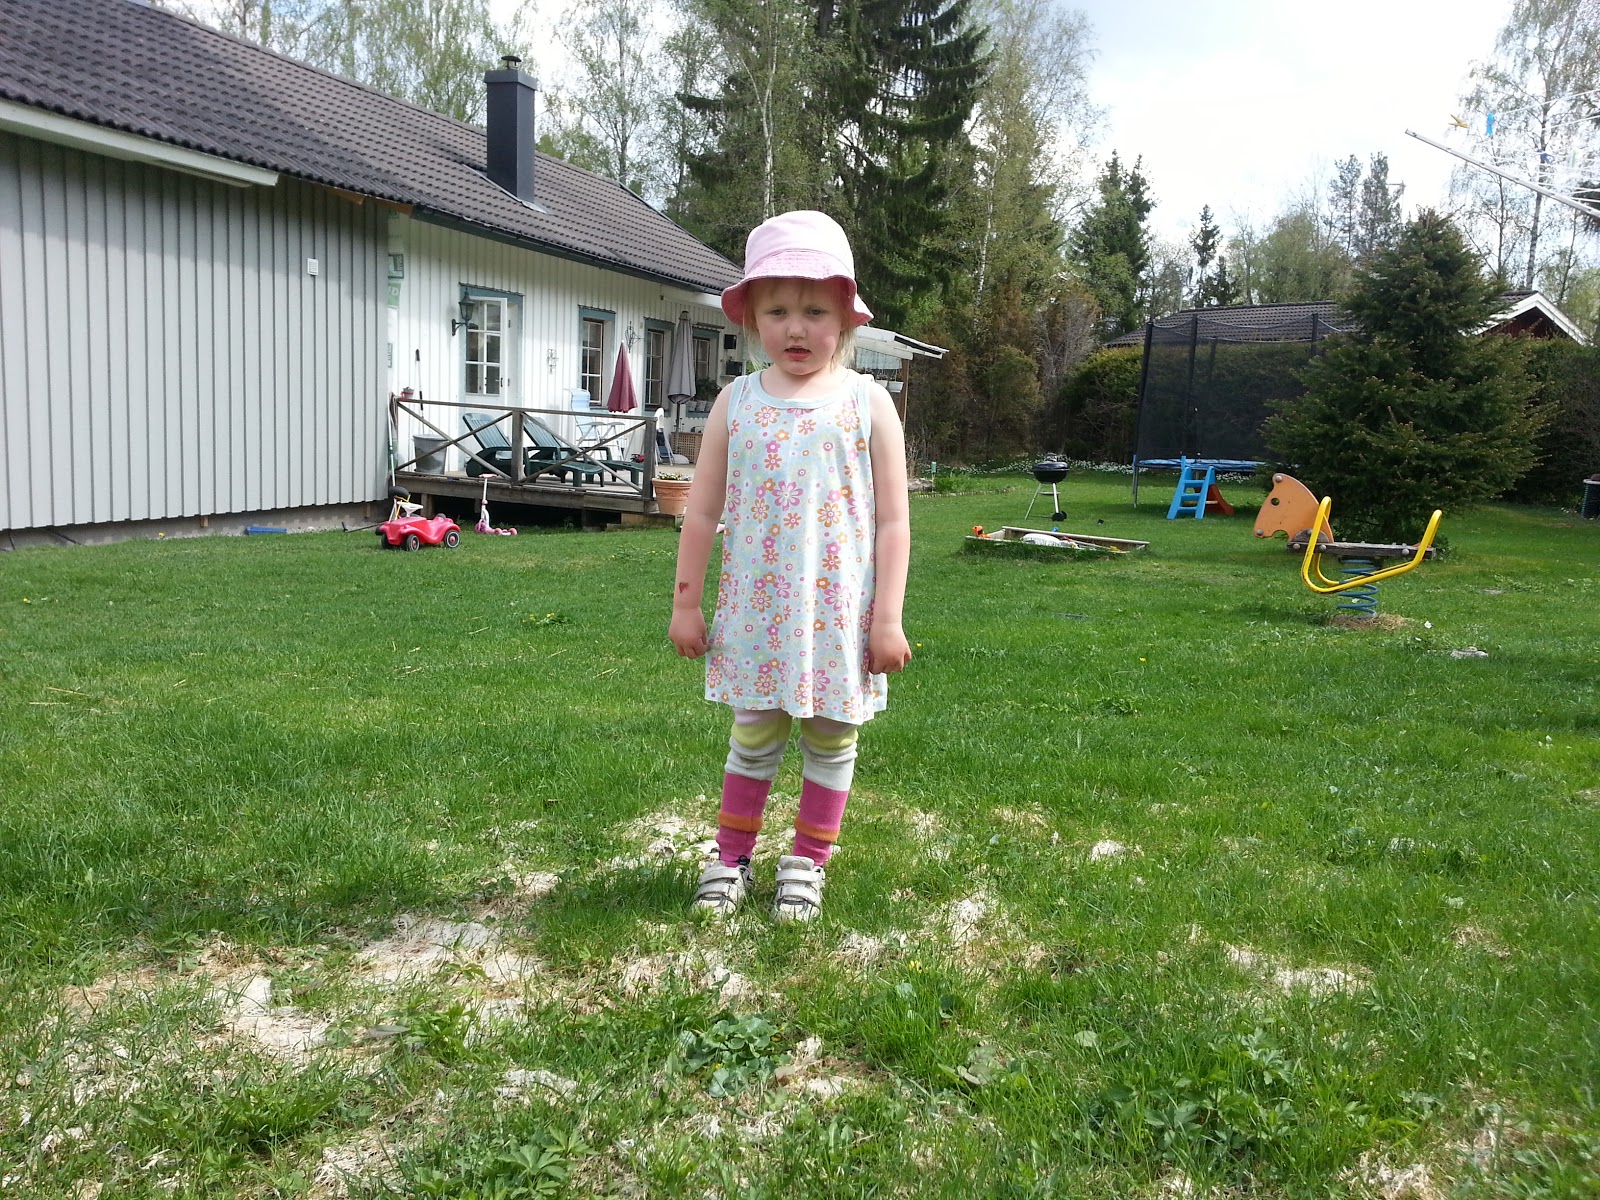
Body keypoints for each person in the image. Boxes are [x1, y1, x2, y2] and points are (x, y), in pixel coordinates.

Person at [669, 210, 913, 922]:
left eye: (815, 312)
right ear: (752, 317)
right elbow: (701, 512)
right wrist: (686, 604)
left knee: (831, 740)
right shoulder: (736, 402)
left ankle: (807, 863)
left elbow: (894, 522)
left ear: (846, 316)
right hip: (756, 614)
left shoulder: (869, 403)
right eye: (777, 311)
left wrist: (888, 619)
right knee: (753, 739)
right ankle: (731, 859)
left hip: (839, 617)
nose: (796, 328)